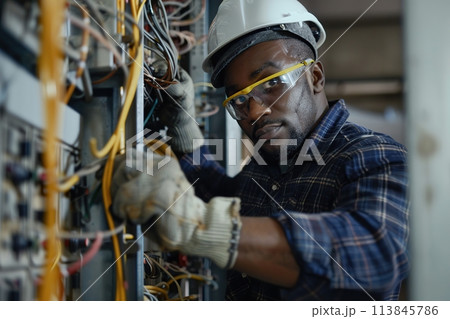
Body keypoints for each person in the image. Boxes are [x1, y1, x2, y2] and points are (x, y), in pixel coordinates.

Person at [111, 0, 409, 300]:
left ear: (315, 76)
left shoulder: (375, 155)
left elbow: (376, 258)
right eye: (238, 100)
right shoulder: (268, 163)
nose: (253, 112)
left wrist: (199, 227)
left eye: (272, 83)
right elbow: (223, 198)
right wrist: (185, 138)